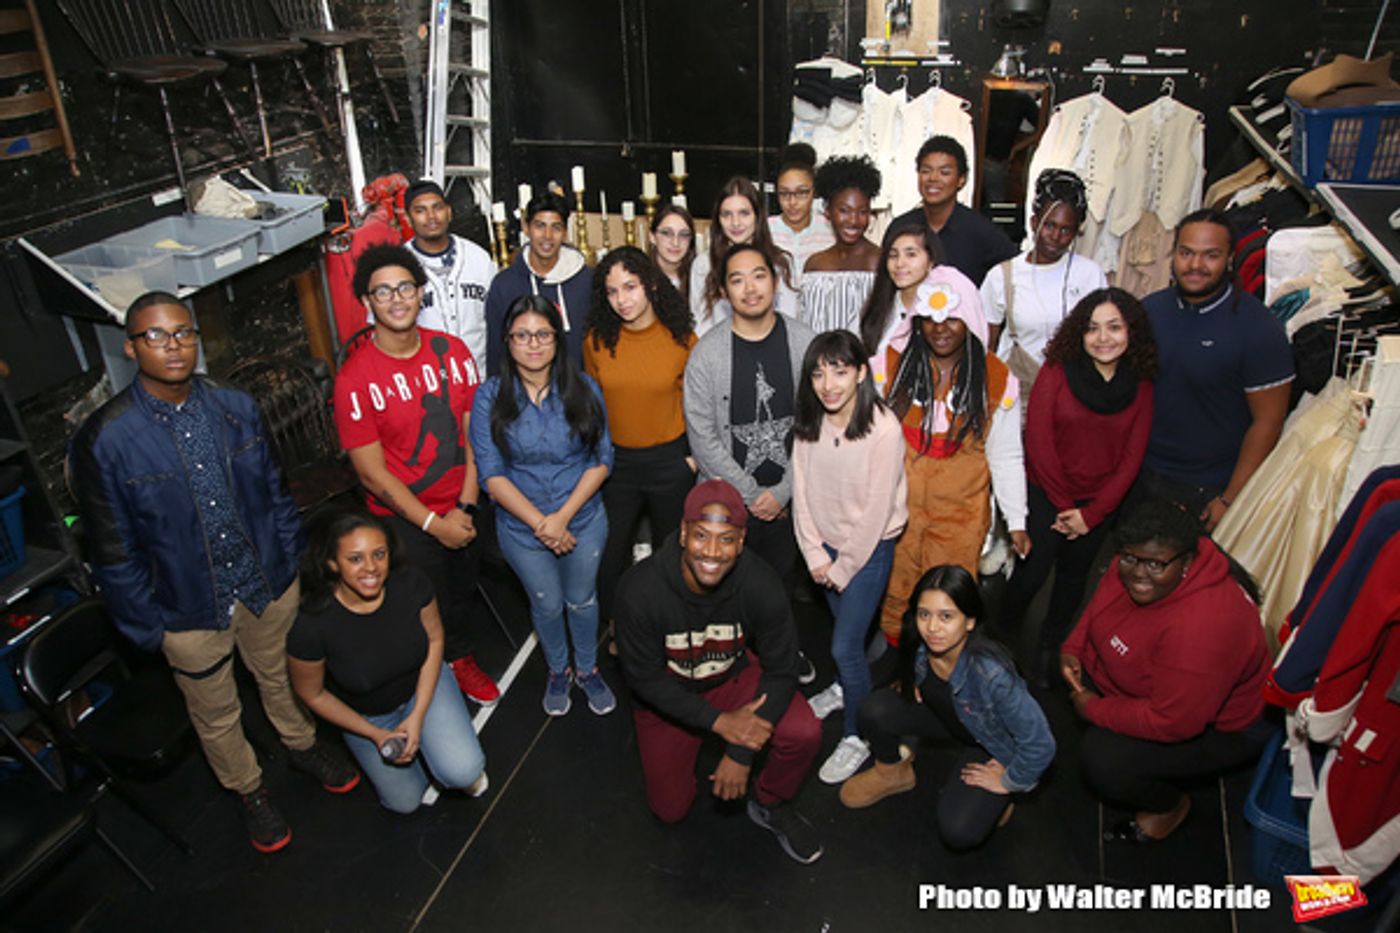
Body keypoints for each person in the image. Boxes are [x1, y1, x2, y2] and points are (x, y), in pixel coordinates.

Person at [70, 291, 358, 853]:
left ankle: (301, 745)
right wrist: (152, 627)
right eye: (156, 335)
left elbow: (275, 492)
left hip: (265, 582)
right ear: (131, 347)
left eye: (184, 333)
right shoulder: (107, 439)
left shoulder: (235, 405)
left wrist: (288, 562)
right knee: (217, 712)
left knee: (281, 677)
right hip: (185, 608)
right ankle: (249, 790)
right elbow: (112, 548)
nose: (173, 346)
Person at [614, 479, 824, 864]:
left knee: (804, 730)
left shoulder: (761, 584)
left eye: (726, 539)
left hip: (731, 678)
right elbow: (644, 680)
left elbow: (782, 670)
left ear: (741, 541)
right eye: (701, 535)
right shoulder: (640, 590)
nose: (712, 552)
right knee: (670, 810)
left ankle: (771, 801)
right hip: (668, 697)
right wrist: (717, 722)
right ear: (683, 533)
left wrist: (741, 753)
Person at [333, 244, 500, 708]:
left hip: (463, 501)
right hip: (406, 517)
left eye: (405, 287)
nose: (396, 299)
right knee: (426, 601)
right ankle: (438, 670)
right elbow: (372, 475)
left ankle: (459, 655)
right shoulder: (354, 379)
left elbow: (474, 434)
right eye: (383, 291)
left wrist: (465, 506)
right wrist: (434, 525)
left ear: (421, 293)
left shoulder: (452, 351)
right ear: (367, 302)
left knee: (462, 591)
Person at [1061, 499, 1272, 842]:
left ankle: (1168, 806)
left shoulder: (1204, 629)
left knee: (1104, 760)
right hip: (1153, 686)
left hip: (1220, 729)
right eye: (1129, 559)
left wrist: (1094, 709)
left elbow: (1175, 721)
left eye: (1155, 565)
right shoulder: (1143, 555)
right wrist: (1074, 647)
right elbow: (1102, 604)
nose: (1138, 573)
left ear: (1187, 561)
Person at [874, 243, 1029, 652]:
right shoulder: (891, 368)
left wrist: (1016, 520)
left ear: (972, 321)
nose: (940, 329)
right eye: (929, 319)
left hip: (961, 518)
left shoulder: (995, 378)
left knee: (948, 600)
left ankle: (940, 672)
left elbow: (1006, 455)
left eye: (952, 319)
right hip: (899, 515)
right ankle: (899, 666)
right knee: (897, 592)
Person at [996, 289, 1157, 682]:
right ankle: (998, 643)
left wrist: (1091, 514)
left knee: (1072, 582)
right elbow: (1039, 443)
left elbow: (1132, 458)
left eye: (1114, 327)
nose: (1103, 338)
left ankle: (1050, 652)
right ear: (1079, 333)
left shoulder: (1141, 384)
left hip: (1096, 506)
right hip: (1047, 495)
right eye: (1092, 328)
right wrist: (1065, 505)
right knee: (1030, 577)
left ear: (1131, 332)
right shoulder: (1056, 371)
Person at [470, 295, 616, 716]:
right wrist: (543, 524)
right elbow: (491, 474)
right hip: (521, 529)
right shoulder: (490, 397)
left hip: (582, 519)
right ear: (507, 341)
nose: (533, 344)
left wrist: (562, 518)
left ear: (557, 339)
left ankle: (586, 668)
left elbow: (602, 459)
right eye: (522, 335)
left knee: (582, 600)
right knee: (547, 604)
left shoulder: (584, 388)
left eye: (542, 334)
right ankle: (558, 669)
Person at [840, 566, 1055, 852]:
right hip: (947, 716)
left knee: (959, 829)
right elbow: (916, 667)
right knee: (872, 710)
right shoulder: (922, 643)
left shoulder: (993, 674)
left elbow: (1041, 743)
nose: (932, 627)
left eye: (946, 616)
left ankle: (1000, 803)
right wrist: (915, 682)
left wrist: (1009, 780)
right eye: (924, 614)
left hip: (987, 743)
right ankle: (893, 774)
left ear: (970, 621)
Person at [287, 510, 488, 814]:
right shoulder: (310, 627)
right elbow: (312, 694)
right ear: (332, 563)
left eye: (379, 554)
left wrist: (418, 715)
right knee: (405, 802)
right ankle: (427, 751)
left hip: (423, 687)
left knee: (462, 771)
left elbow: (435, 640)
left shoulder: (411, 583)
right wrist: (375, 734)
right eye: (355, 558)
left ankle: (443, 747)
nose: (371, 567)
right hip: (369, 717)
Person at [686, 242, 819, 684]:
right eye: (737, 279)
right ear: (724, 291)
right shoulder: (707, 354)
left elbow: (818, 422)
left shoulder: (804, 342)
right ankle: (728, 660)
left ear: (775, 282)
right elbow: (702, 435)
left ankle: (782, 654)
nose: (750, 288)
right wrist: (751, 495)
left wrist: (782, 492)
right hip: (730, 500)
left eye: (759, 275)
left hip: (790, 497)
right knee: (725, 585)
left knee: (781, 585)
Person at [791, 330, 908, 783]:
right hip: (825, 549)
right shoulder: (809, 421)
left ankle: (857, 736)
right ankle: (844, 688)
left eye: (839, 372)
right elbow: (801, 491)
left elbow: (877, 513)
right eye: (818, 374)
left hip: (867, 551)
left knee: (844, 646)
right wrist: (813, 552)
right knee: (849, 639)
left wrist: (841, 567)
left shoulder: (884, 428)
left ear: (861, 373)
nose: (828, 385)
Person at [1140, 208, 1293, 530]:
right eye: (1186, 253)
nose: (1195, 265)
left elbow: (1268, 422)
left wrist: (1230, 499)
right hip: (1140, 474)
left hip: (1206, 489)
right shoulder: (1150, 310)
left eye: (1211, 255)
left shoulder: (1259, 329)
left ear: (1230, 259)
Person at [584, 246, 697, 633]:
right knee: (610, 555)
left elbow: (700, 406)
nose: (622, 300)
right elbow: (592, 408)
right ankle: (617, 628)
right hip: (617, 465)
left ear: (651, 284)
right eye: (612, 291)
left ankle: (671, 627)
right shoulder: (596, 341)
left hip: (671, 462)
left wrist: (692, 459)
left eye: (630, 287)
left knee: (672, 554)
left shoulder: (683, 339)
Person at [980, 169, 1107, 387]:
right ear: (1034, 222)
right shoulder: (1003, 276)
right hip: (1016, 391)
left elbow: (1101, 336)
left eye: (1066, 230)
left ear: (1077, 231)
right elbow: (986, 344)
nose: (1056, 237)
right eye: (1049, 225)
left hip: (1071, 389)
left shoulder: (1090, 275)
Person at [484, 190, 592, 373]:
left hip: (577, 386)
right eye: (540, 226)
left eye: (556, 227)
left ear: (565, 232)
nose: (547, 235)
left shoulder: (586, 281)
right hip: (521, 389)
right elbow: (496, 352)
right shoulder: (504, 285)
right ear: (526, 228)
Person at [890, 135, 1018, 287]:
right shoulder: (900, 227)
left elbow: (1015, 274)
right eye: (926, 171)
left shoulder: (981, 231)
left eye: (944, 172)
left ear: (961, 180)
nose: (933, 178)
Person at [689, 177, 801, 337]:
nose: (735, 223)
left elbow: (789, 320)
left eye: (744, 213)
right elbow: (701, 325)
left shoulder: (780, 262)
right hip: (720, 347)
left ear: (757, 215)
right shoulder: (704, 264)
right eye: (727, 214)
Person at [402, 178, 497, 366]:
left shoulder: (478, 258)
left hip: (479, 373)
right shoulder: (397, 265)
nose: (431, 216)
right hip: (425, 377)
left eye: (437, 207)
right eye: (420, 211)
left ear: (449, 212)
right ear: (408, 219)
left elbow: (499, 316)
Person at [857, 220, 943, 392]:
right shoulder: (876, 311)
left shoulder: (943, 315)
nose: (900, 263)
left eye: (911, 255)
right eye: (893, 255)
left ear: (930, 262)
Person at [801, 155, 883, 334]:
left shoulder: (880, 262)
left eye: (862, 212)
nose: (853, 220)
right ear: (827, 211)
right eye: (844, 211)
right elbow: (806, 328)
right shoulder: (814, 266)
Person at [767, 142, 834, 274]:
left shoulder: (830, 230)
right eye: (785, 193)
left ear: (814, 192)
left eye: (802, 193)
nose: (792, 202)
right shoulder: (765, 230)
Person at [648, 204, 697, 300]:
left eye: (684, 235)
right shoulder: (641, 278)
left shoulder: (701, 277)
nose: (675, 242)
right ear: (652, 237)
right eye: (667, 233)